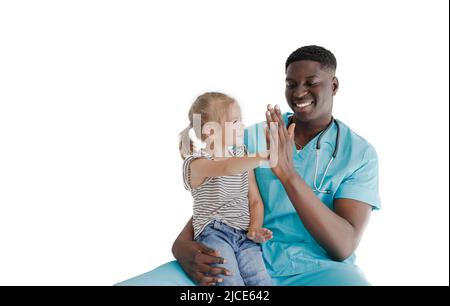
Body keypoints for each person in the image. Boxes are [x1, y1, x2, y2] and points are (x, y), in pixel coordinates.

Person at [116, 45, 380, 286]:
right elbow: (219, 193)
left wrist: (287, 173)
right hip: (235, 253)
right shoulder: (252, 138)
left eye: (311, 83)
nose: (299, 92)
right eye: (291, 83)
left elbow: (343, 246)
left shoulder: (358, 154)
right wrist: (181, 246)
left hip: (315, 269)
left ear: (333, 85)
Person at [177, 92, 273, 285]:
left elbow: (254, 200)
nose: (242, 126)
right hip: (214, 233)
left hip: (245, 236)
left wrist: (254, 228)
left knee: (262, 282)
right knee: (230, 281)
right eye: (235, 121)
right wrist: (265, 155)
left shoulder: (242, 155)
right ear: (211, 131)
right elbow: (224, 167)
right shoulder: (197, 163)